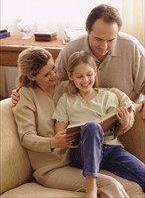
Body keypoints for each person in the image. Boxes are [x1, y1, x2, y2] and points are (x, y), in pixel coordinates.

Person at [12, 46, 133, 198]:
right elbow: (26, 137)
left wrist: (131, 110)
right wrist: (52, 142)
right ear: (31, 76)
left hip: (74, 160)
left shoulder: (64, 88)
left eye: (53, 69)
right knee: (110, 184)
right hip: (51, 169)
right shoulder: (26, 96)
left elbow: (108, 92)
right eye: (46, 74)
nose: (54, 76)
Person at [52, 50, 145, 198]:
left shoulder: (109, 96)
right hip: (82, 152)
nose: (85, 80)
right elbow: (60, 133)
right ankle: (91, 188)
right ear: (70, 76)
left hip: (110, 149)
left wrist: (124, 122)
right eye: (79, 76)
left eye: (89, 74)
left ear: (95, 72)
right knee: (92, 126)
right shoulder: (66, 100)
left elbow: (116, 132)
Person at [55, 4, 145, 119]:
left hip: (126, 115)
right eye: (98, 39)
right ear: (87, 30)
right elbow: (56, 82)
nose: (104, 47)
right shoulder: (71, 49)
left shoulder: (132, 47)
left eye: (111, 40)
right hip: (82, 118)